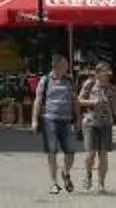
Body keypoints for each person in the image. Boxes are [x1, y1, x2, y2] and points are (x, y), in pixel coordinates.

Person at [36, 55, 79, 193]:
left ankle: (65, 173)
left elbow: (75, 100)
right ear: (57, 66)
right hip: (50, 119)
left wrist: (77, 117)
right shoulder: (45, 80)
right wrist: (34, 119)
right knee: (52, 152)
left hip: (66, 120)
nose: (67, 67)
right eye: (65, 64)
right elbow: (38, 100)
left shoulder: (69, 80)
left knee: (70, 152)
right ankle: (54, 183)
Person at [78, 63, 116, 192]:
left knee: (103, 154)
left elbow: (115, 107)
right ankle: (88, 175)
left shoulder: (111, 88)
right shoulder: (89, 84)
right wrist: (92, 102)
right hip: (90, 123)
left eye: (108, 72)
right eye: (105, 72)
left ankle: (101, 183)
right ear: (98, 73)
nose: (107, 74)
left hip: (106, 124)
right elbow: (79, 100)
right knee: (90, 154)